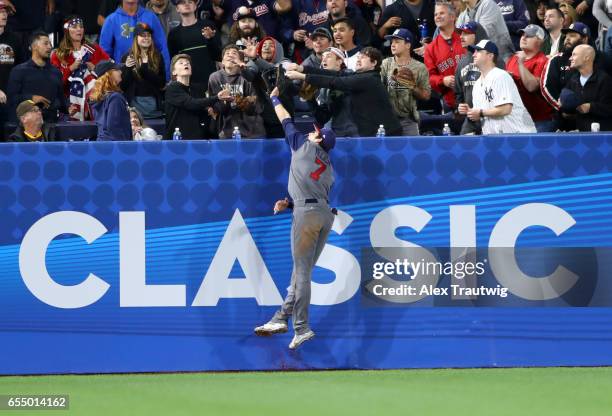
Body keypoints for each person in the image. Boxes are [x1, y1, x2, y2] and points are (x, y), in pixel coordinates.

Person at [254, 86, 336, 351]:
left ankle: (301, 327)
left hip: (308, 215)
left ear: (317, 138)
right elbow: (311, 191)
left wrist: (275, 97)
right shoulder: (328, 166)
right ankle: (280, 319)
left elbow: (284, 119)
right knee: (302, 273)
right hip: (324, 214)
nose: (310, 131)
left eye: (315, 131)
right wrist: (289, 202)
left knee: (301, 274)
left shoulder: (302, 145)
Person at [286, 46, 402, 136]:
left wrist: (303, 77)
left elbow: (336, 81)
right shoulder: (356, 76)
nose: (358, 59)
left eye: (363, 57)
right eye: (358, 56)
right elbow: (334, 74)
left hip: (385, 134)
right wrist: (302, 69)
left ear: (374, 63)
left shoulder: (370, 78)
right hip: (364, 132)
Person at [459, 39, 537, 134]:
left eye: (478, 51)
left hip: (519, 135)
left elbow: (505, 108)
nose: (474, 55)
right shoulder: (477, 85)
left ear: (490, 56)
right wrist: (470, 111)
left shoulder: (500, 76)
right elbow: (481, 113)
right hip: (497, 139)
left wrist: (480, 113)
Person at [50, 16, 110, 121]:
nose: (79, 29)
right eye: (74, 27)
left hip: (96, 101)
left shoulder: (94, 49)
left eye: (81, 26)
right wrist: (70, 68)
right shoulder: (58, 55)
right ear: (67, 31)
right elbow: (55, 83)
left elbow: (111, 67)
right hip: (70, 104)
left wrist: (96, 69)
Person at [165, 53, 232, 139]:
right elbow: (192, 103)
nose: (186, 64)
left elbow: (200, 107)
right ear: (174, 72)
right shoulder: (173, 88)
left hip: (198, 138)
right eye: (181, 63)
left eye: (187, 63)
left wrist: (208, 110)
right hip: (178, 139)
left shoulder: (196, 89)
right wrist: (217, 97)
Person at [99, 0, 171, 78]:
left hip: (150, 77)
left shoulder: (151, 17)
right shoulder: (111, 20)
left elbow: (162, 48)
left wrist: (166, 77)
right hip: (122, 78)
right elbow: (104, 54)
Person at [207, 44, 266, 139]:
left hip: (253, 131)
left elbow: (256, 107)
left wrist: (235, 101)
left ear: (241, 60)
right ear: (222, 61)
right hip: (227, 131)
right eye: (227, 53)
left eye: (234, 53)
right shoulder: (215, 77)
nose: (230, 55)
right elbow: (216, 106)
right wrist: (226, 103)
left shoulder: (249, 75)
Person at [380, 28, 431, 136]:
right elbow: (379, 91)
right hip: (388, 120)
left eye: (397, 42)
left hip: (409, 120)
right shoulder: (385, 64)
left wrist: (411, 86)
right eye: (392, 42)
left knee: (412, 152)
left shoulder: (420, 67)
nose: (392, 45)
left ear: (408, 45)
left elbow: (426, 96)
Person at [505, 24, 555, 131]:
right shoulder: (513, 58)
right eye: (523, 34)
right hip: (518, 119)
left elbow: (532, 87)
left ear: (540, 41)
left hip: (540, 119)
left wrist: (521, 64)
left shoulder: (543, 61)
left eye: (529, 35)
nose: (523, 37)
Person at [7, 31, 65, 123]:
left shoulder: (56, 72)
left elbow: (61, 100)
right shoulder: (19, 71)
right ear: (34, 47)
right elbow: (11, 98)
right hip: (25, 126)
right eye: (45, 43)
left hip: (51, 125)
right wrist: (31, 98)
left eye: (50, 44)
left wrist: (69, 108)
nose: (50, 47)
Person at [168, 0, 221, 90]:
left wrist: (210, 39)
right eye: (182, 2)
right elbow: (174, 60)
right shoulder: (174, 34)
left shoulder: (208, 25)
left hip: (210, 79)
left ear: (195, 6)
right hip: (188, 82)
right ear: (177, 8)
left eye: (190, 2)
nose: (187, 4)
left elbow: (218, 55)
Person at [541, 22, 591, 114]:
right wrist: (562, 109)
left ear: (584, 39)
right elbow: (547, 87)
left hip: (592, 116)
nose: (567, 39)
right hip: (562, 116)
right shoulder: (556, 60)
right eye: (566, 36)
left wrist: (590, 109)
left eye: (572, 36)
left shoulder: (600, 59)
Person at [561, 44, 612, 131]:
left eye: (574, 55)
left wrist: (591, 107)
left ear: (586, 57)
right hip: (581, 135)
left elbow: (609, 108)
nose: (570, 58)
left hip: (602, 136)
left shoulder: (604, 80)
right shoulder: (573, 79)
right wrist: (565, 110)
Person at [424, 1, 465, 110]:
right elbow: (430, 77)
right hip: (450, 102)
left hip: (474, 97)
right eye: (435, 14)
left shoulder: (465, 37)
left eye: (441, 13)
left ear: (452, 17)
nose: (437, 17)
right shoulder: (430, 48)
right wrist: (443, 80)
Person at [121, 23, 166, 118]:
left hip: (154, 105)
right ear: (136, 38)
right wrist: (127, 69)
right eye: (143, 35)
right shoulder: (127, 57)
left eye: (149, 35)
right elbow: (123, 85)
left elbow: (162, 83)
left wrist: (143, 69)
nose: (146, 38)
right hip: (134, 106)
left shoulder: (157, 56)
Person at [313, 47, 359, 136]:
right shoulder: (323, 86)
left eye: (328, 56)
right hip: (332, 130)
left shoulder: (350, 76)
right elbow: (322, 118)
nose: (324, 60)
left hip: (351, 133)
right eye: (322, 58)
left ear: (339, 61)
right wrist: (311, 101)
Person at [454, 21, 489, 134]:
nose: (461, 37)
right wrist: (460, 106)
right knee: (464, 148)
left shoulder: (493, 58)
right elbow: (458, 93)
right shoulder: (462, 62)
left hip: (491, 118)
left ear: (477, 35)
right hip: (471, 120)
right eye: (461, 33)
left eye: (466, 33)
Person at [90, 60, 132, 141]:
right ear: (109, 74)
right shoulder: (115, 98)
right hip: (115, 147)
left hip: (103, 143)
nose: (120, 72)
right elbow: (114, 127)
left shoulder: (100, 97)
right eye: (116, 69)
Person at [0, 1, 25, 138]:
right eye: (0, 12)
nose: (3, 15)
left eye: (5, 12)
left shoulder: (14, 39)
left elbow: (22, 68)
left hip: (11, 100)